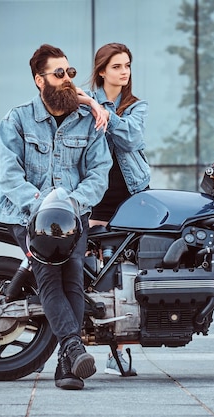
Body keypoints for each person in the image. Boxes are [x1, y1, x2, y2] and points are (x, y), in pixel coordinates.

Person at [0, 44, 112, 390]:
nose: (66, 79)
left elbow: (98, 173)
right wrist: (43, 206)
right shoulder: (16, 119)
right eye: (58, 73)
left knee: (73, 275)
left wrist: (71, 206)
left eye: (70, 73)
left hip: (72, 217)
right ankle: (72, 351)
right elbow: (9, 176)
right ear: (38, 79)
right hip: (27, 213)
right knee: (49, 274)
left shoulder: (86, 121)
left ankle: (68, 361)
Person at [78, 43, 150, 377]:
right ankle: (84, 342)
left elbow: (132, 139)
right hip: (96, 200)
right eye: (117, 66)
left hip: (132, 197)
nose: (125, 72)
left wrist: (104, 109)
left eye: (128, 66)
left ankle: (120, 351)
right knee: (95, 274)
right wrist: (94, 104)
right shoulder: (85, 104)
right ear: (102, 70)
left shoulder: (137, 106)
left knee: (128, 274)